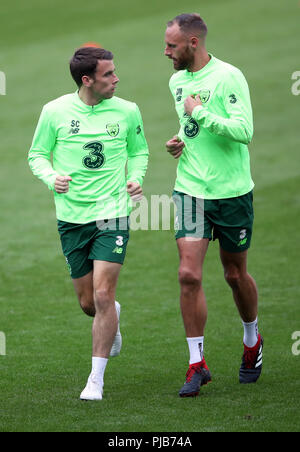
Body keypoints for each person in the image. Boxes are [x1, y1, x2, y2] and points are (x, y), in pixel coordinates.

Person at [28, 46, 149, 401]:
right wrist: (52, 177)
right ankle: (112, 317)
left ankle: (94, 380)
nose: (116, 78)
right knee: (88, 303)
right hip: (71, 218)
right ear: (87, 80)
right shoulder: (54, 112)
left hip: (113, 212)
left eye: (114, 71)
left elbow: (139, 150)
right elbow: (36, 154)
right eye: (108, 74)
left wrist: (135, 176)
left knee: (102, 293)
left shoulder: (127, 111)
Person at [164, 13, 263, 397]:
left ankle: (252, 340)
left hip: (232, 192)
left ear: (193, 43)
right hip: (190, 189)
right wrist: (178, 140)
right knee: (188, 274)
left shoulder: (228, 77)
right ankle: (196, 363)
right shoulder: (176, 81)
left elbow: (244, 131)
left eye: (171, 46)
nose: (165, 51)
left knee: (235, 275)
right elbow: (191, 127)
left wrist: (198, 112)